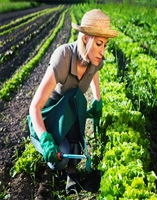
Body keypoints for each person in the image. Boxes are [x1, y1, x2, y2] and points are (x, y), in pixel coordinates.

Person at [27, 9, 118, 194]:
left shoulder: (96, 60)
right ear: (85, 39)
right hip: (51, 113)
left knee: (77, 99)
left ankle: (73, 172)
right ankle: (47, 145)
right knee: (58, 160)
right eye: (99, 43)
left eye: (105, 45)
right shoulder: (63, 57)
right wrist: (45, 140)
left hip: (71, 112)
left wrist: (98, 100)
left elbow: (94, 74)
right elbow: (34, 107)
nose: (102, 51)